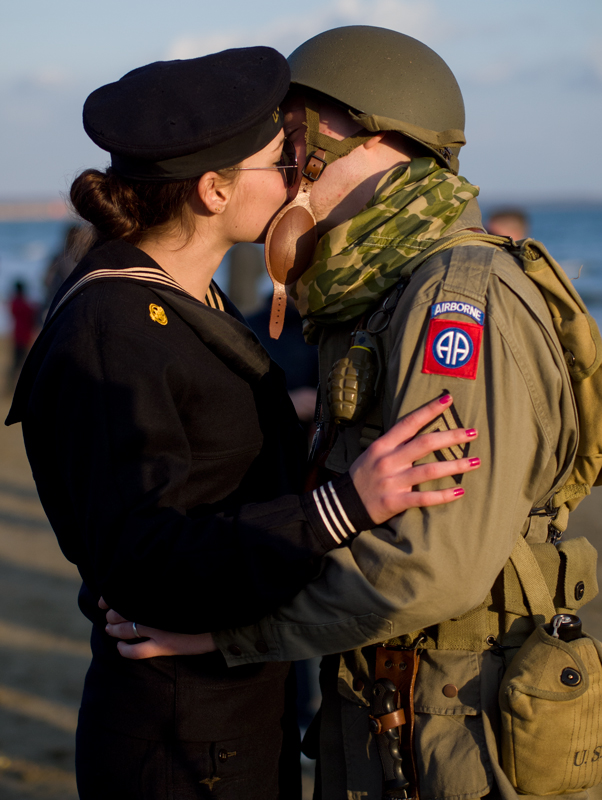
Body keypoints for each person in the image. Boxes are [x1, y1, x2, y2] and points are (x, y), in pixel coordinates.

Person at [105, 28, 597, 800]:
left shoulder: (456, 297)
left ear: (366, 133)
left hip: (461, 720)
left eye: (293, 129)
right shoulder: (376, 288)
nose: (281, 153)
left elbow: (436, 562)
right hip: (399, 701)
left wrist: (228, 631)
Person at [5, 46, 481, 800]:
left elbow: (210, 447)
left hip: (230, 710)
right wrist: (344, 506)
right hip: (179, 732)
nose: (301, 180)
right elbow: (144, 562)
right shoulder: (111, 327)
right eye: (282, 163)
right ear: (213, 190)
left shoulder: (184, 297)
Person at [7, 280, 37, 391]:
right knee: (23, 362)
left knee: (17, 362)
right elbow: (32, 313)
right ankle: (19, 385)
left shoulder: (14, 303)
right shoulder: (23, 304)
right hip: (25, 336)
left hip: (17, 335)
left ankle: (12, 384)